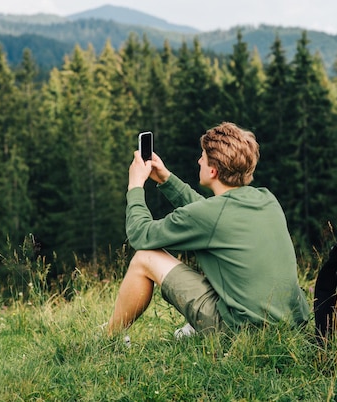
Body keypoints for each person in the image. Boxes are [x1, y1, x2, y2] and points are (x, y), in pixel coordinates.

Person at [106, 122, 309, 337]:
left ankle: (110, 337)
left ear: (212, 170)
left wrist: (135, 185)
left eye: (202, 157)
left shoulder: (211, 216)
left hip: (242, 331)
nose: (198, 161)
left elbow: (140, 235)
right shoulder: (266, 198)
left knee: (144, 258)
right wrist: (167, 180)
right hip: (292, 326)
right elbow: (210, 215)